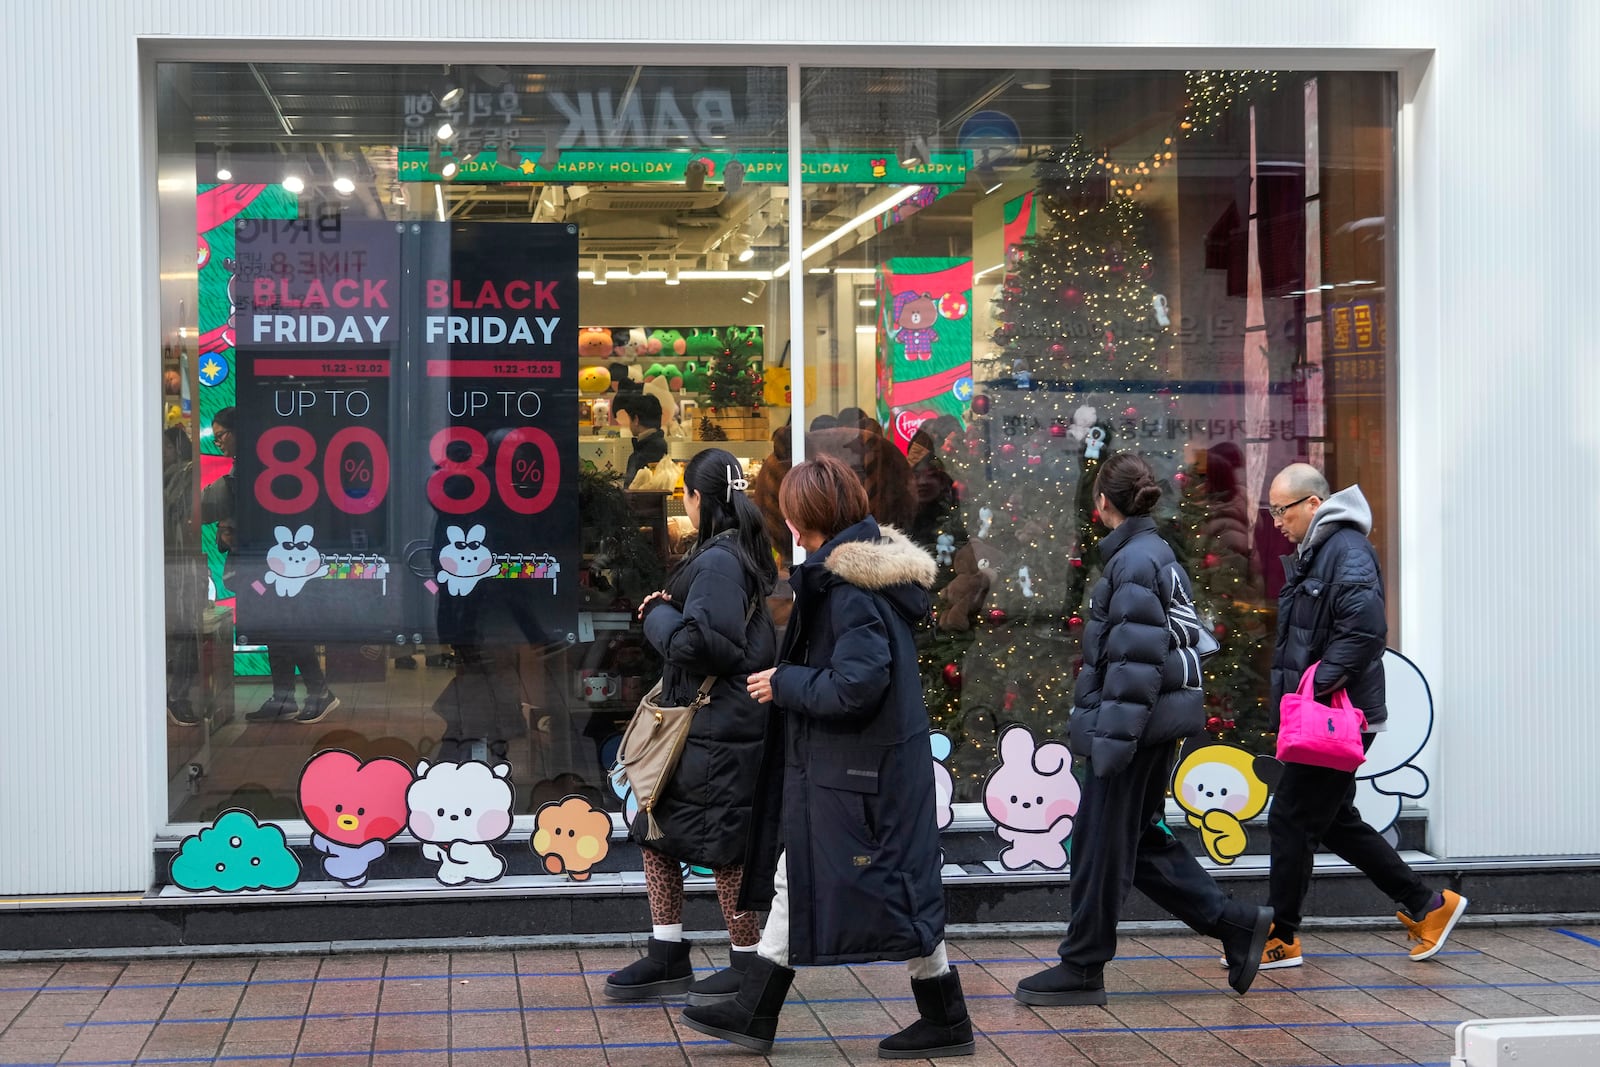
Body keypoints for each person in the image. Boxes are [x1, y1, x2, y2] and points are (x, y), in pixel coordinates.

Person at [683, 454, 974, 1060]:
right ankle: (941, 1017)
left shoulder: (847, 593)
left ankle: (755, 1011)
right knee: (881, 885)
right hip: (865, 772)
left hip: (858, 774)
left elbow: (856, 686)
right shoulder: (857, 581)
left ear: (799, 520)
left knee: (819, 880)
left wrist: (782, 682)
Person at [1016, 451, 1272, 1006]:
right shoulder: (1147, 553)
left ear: (1101, 502)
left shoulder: (1134, 561)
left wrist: (1109, 747)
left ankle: (1083, 966)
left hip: (1130, 730)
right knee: (1135, 842)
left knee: (1099, 844)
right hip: (1144, 727)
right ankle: (1236, 925)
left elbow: (1135, 665)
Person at [1263, 463, 1466, 967]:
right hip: (1330, 714)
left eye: (1280, 510)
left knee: (1290, 817)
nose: (1276, 522)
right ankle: (1427, 905)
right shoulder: (1321, 551)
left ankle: (1281, 935)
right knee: (1331, 821)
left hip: (1337, 717)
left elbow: (1365, 630)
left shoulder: (1345, 550)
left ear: (1313, 504)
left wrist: (1315, 687)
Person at [603, 449, 778, 1004]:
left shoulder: (721, 561)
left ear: (697, 498)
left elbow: (706, 645)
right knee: (658, 835)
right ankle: (667, 952)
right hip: (707, 727)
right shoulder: (731, 553)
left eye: (686, 493)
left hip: (715, 729)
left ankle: (746, 963)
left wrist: (656, 614)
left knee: (724, 849)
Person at [203, 407, 340, 725]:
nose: (219, 443)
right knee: (275, 627)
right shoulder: (250, 465)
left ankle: (319, 693)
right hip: (264, 559)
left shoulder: (257, 466)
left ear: (238, 432)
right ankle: (284, 697)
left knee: (286, 626)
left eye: (222, 435)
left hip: (273, 559)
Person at [612, 392, 667, 486]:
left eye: (629, 419)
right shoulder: (658, 445)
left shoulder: (643, 453)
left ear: (636, 420)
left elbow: (633, 492)